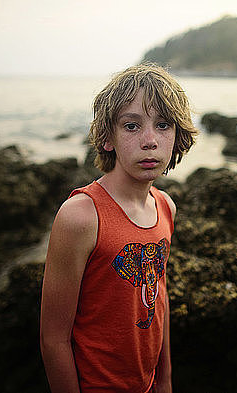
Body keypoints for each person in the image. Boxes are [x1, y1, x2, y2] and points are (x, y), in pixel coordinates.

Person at [39, 63, 197, 393]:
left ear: (177, 135)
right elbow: (53, 338)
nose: (150, 140)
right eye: (131, 126)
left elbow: (158, 298)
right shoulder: (81, 216)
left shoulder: (165, 207)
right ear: (108, 138)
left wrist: (164, 380)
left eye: (163, 125)